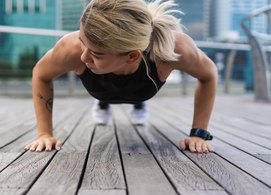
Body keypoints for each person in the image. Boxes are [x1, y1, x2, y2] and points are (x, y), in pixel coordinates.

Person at [24, 0, 217, 154]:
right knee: (104, 89)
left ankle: (138, 101)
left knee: (139, 91)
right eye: (83, 42)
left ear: (133, 55)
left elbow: (209, 75)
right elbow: (40, 74)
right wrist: (44, 133)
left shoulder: (173, 50)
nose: (83, 57)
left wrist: (198, 134)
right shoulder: (72, 48)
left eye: (96, 54)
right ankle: (104, 102)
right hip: (101, 89)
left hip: (143, 86)